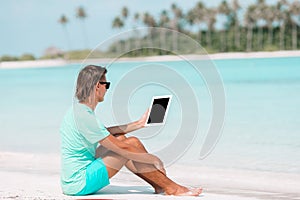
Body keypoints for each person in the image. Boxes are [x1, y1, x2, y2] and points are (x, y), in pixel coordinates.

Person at [60, 65, 202, 196]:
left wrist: (138, 124)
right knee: (126, 146)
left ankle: (159, 185)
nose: (107, 89)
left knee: (124, 139)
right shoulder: (85, 116)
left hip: (74, 179)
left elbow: (104, 131)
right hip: (79, 182)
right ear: (98, 86)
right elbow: (121, 148)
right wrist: (154, 160)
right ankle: (172, 187)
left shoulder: (79, 110)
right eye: (106, 85)